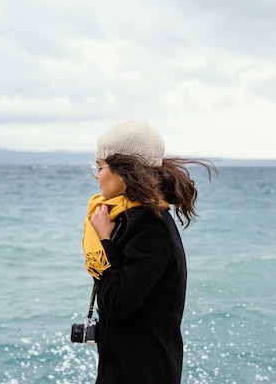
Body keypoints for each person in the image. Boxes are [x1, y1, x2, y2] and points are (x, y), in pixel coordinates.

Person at [81, 119, 217, 384]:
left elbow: (119, 303)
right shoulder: (131, 217)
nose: (97, 177)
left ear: (122, 170)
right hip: (124, 366)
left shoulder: (150, 225)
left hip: (143, 372)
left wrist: (105, 240)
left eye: (99, 167)